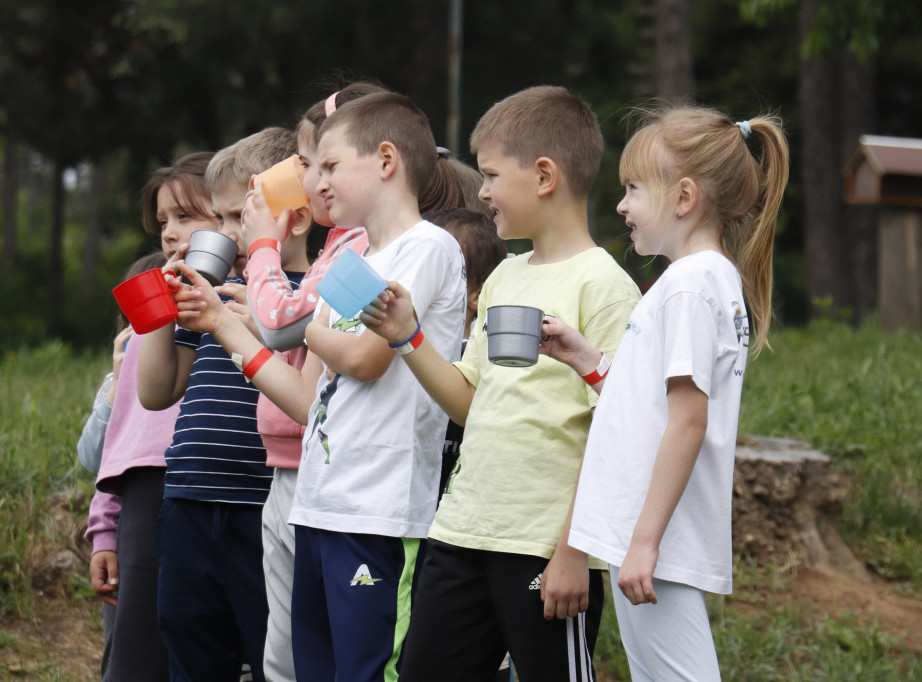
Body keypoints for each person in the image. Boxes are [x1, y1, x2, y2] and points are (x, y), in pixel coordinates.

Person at [172, 90, 466, 682]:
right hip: (319, 504)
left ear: (386, 161)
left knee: (366, 670)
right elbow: (310, 389)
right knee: (312, 669)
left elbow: (363, 358)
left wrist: (307, 328)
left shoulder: (426, 246)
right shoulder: (353, 259)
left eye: (328, 166)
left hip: (379, 514)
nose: (316, 182)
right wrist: (227, 323)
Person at [359, 85, 641, 682]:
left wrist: (574, 551)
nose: (481, 191)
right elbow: (469, 403)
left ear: (544, 176)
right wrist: (407, 337)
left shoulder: (606, 287)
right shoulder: (505, 276)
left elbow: (617, 433)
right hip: (462, 533)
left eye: (490, 174)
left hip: (544, 547)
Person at [541, 106, 790, 680]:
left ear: (684, 197)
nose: (621, 204)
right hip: (646, 536)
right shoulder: (697, 280)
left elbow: (687, 422)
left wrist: (645, 542)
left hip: (652, 538)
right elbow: (650, 404)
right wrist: (588, 360)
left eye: (633, 188)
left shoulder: (690, 286)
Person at [136, 128, 300, 682]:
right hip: (189, 497)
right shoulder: (207, 292)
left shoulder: (303, 290)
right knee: (191, 647)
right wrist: (162, 305)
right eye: (223, 218)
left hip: (263, 501)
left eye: (237, 217)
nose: (230, 232)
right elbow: (157, 392)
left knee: (270, 646)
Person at [81, 151, 221, 682]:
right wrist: (104, 532)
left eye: (185, 216)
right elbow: (121, 445)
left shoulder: (252, 306)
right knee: (138, 648)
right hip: (148, 495)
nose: (169, 232)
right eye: (163, 221)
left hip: (224, 492)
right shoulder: (151, 322)